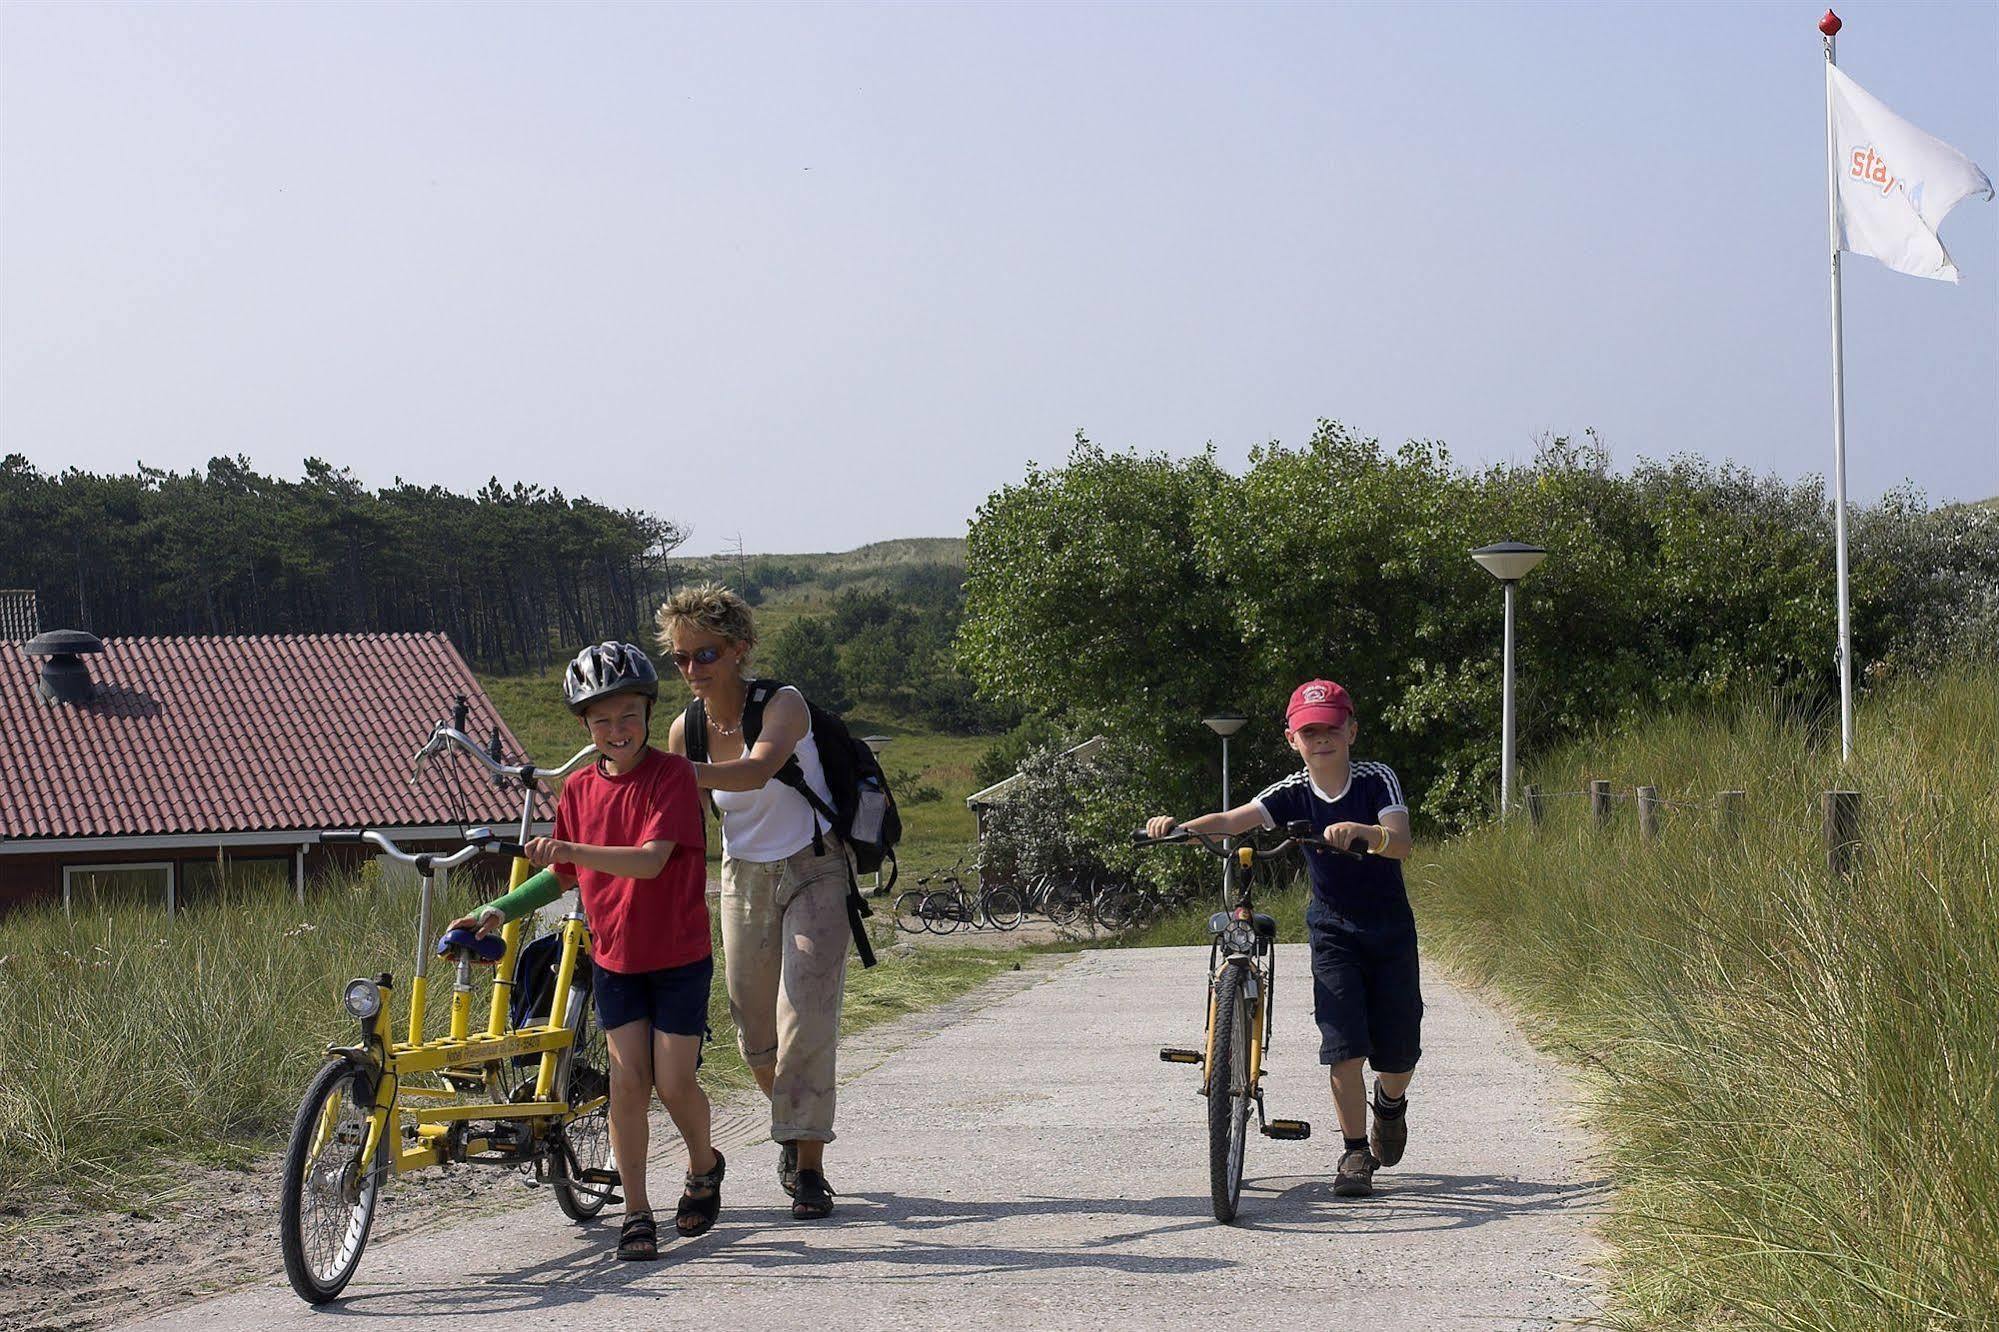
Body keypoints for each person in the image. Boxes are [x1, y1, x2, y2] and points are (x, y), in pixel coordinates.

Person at [448, 640, 720, 1259]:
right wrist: (501, 910)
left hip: (678, 955)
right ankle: (638, 1211)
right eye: (603, 720)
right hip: (616, 957)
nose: (617, 730)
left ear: (648, 714)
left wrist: (571, 853)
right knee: (628, 1082)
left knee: (674, 1083)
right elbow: (561, 874)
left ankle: (704, 1166)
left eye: (628, 715)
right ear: (584, 725)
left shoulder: (672, 777)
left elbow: (651, 862)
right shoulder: (577, 789)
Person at [1145, 679, 1418, 1198]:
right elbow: (1231, 820)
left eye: (1331, 728)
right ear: (1292, 739)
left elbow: (1401, 842)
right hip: (1332, 928)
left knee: (1399, 1054)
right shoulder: (1291, 791)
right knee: (1343, 1045)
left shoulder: (1376, 780)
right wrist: (1178, 827)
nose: (1321, 739)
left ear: (1351, 731)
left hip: (1388, 927)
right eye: (1308, 731)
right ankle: (1355, 1151)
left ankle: (1390, 1104)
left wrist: (1365, 832)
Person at [659, 584, 850, 1221]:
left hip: (813, 868)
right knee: (755, 1039)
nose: (693, 670)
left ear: (740, 649)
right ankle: (792, 1133)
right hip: (743, 874)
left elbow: (757, 769)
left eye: (706, 654)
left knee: (806, 1020)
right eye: (681, 658)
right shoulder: (684, 730)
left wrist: (674, 772)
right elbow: (675, 826)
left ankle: (807, 1167)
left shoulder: (782, 704)